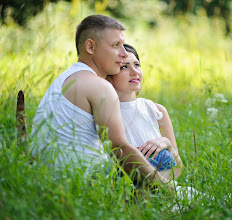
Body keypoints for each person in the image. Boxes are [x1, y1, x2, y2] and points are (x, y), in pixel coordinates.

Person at [31, 15, 168, 186]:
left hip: (44, 178)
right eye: (115, 45)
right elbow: (119, 149)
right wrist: (168, 190)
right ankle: (160, 199)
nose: (124, 53)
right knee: (162, 156)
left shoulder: (63, 79)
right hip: (83, 181)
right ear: (90, 46)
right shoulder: (99, 86)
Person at [106, 44, 183, 181]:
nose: (134, 71)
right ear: (109, 76)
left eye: (137, 65)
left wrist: (167, 144)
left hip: (164, 188)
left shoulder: (156, 111)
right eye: (124, 66)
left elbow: (178, 169)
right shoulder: (104, 112)